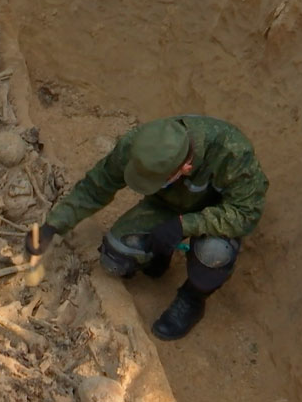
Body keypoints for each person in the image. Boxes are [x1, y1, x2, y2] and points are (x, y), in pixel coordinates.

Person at [25, 116, 268, 340]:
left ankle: (192, 298)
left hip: (216, 216)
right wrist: (53, 225)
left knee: (215, 253)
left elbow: (247, 213)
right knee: (116, 256)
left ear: (185, 168)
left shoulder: (232, 152)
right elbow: (98, 185)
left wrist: (186, 225)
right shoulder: (141, 145)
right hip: (166, 207)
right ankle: (160, 254)